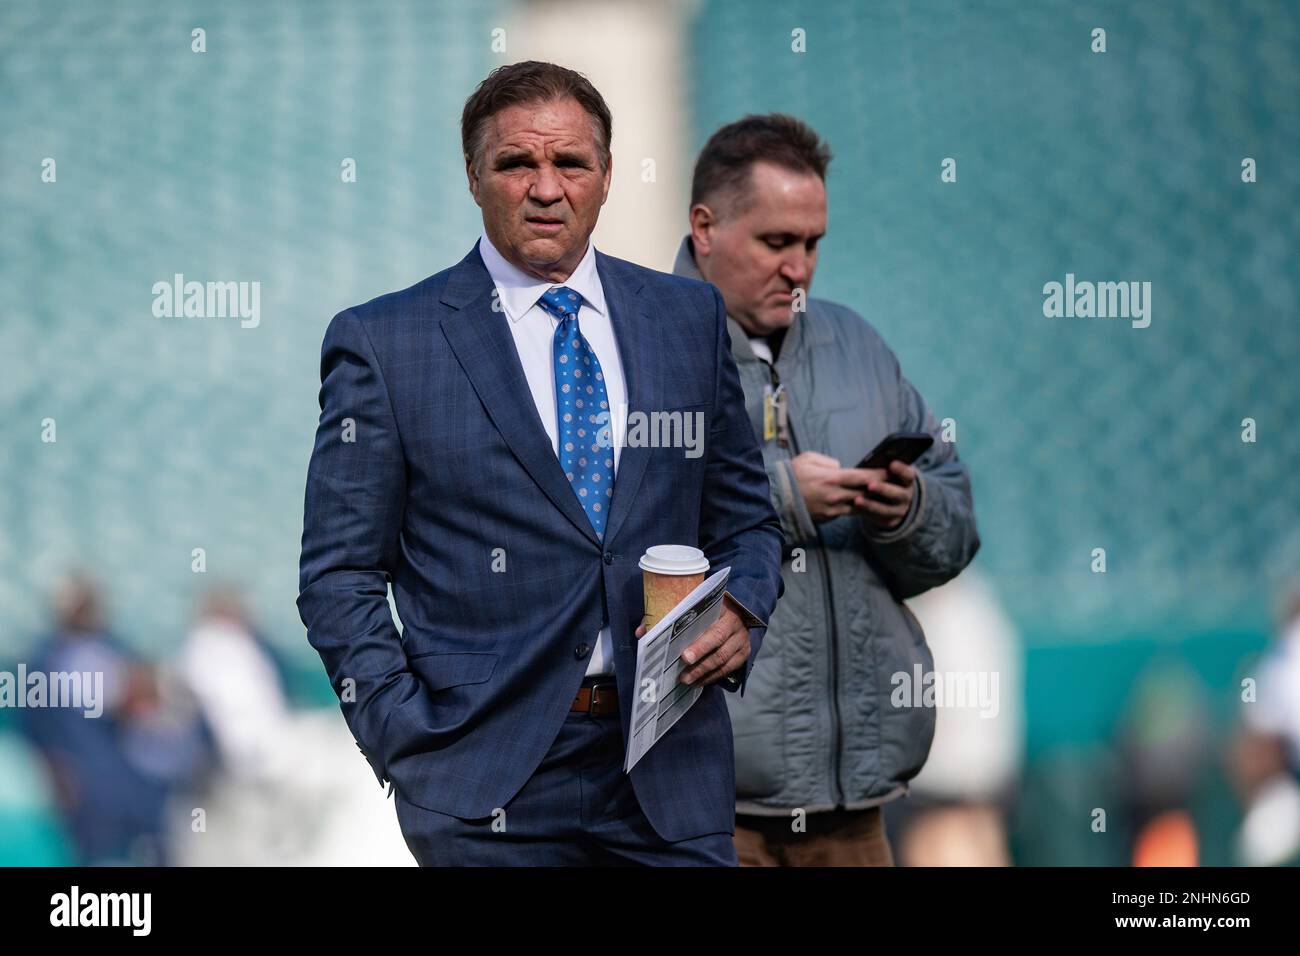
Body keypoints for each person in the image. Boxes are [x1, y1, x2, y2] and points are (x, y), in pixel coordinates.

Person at [298, 61, 784, 866]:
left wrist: (746, 611)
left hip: (669, 765)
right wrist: (406, 743)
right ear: (473, 177)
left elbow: (746, 520)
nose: (546, 187)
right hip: (485, 786)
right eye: (517, 163)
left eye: (571, 163)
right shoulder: (387, 344)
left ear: (607, 176)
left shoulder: (685, 317)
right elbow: (338, 577)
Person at [672, 114, 980, 866]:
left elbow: (958, 529)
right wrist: (781, 502)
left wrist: (905, 511)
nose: (800, 268)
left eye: (813, 244)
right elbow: (616, 540)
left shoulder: (861, 348)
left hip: (854, 807)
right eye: (777, 242)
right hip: (708, 806)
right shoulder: (644, 347)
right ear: (705, 227)